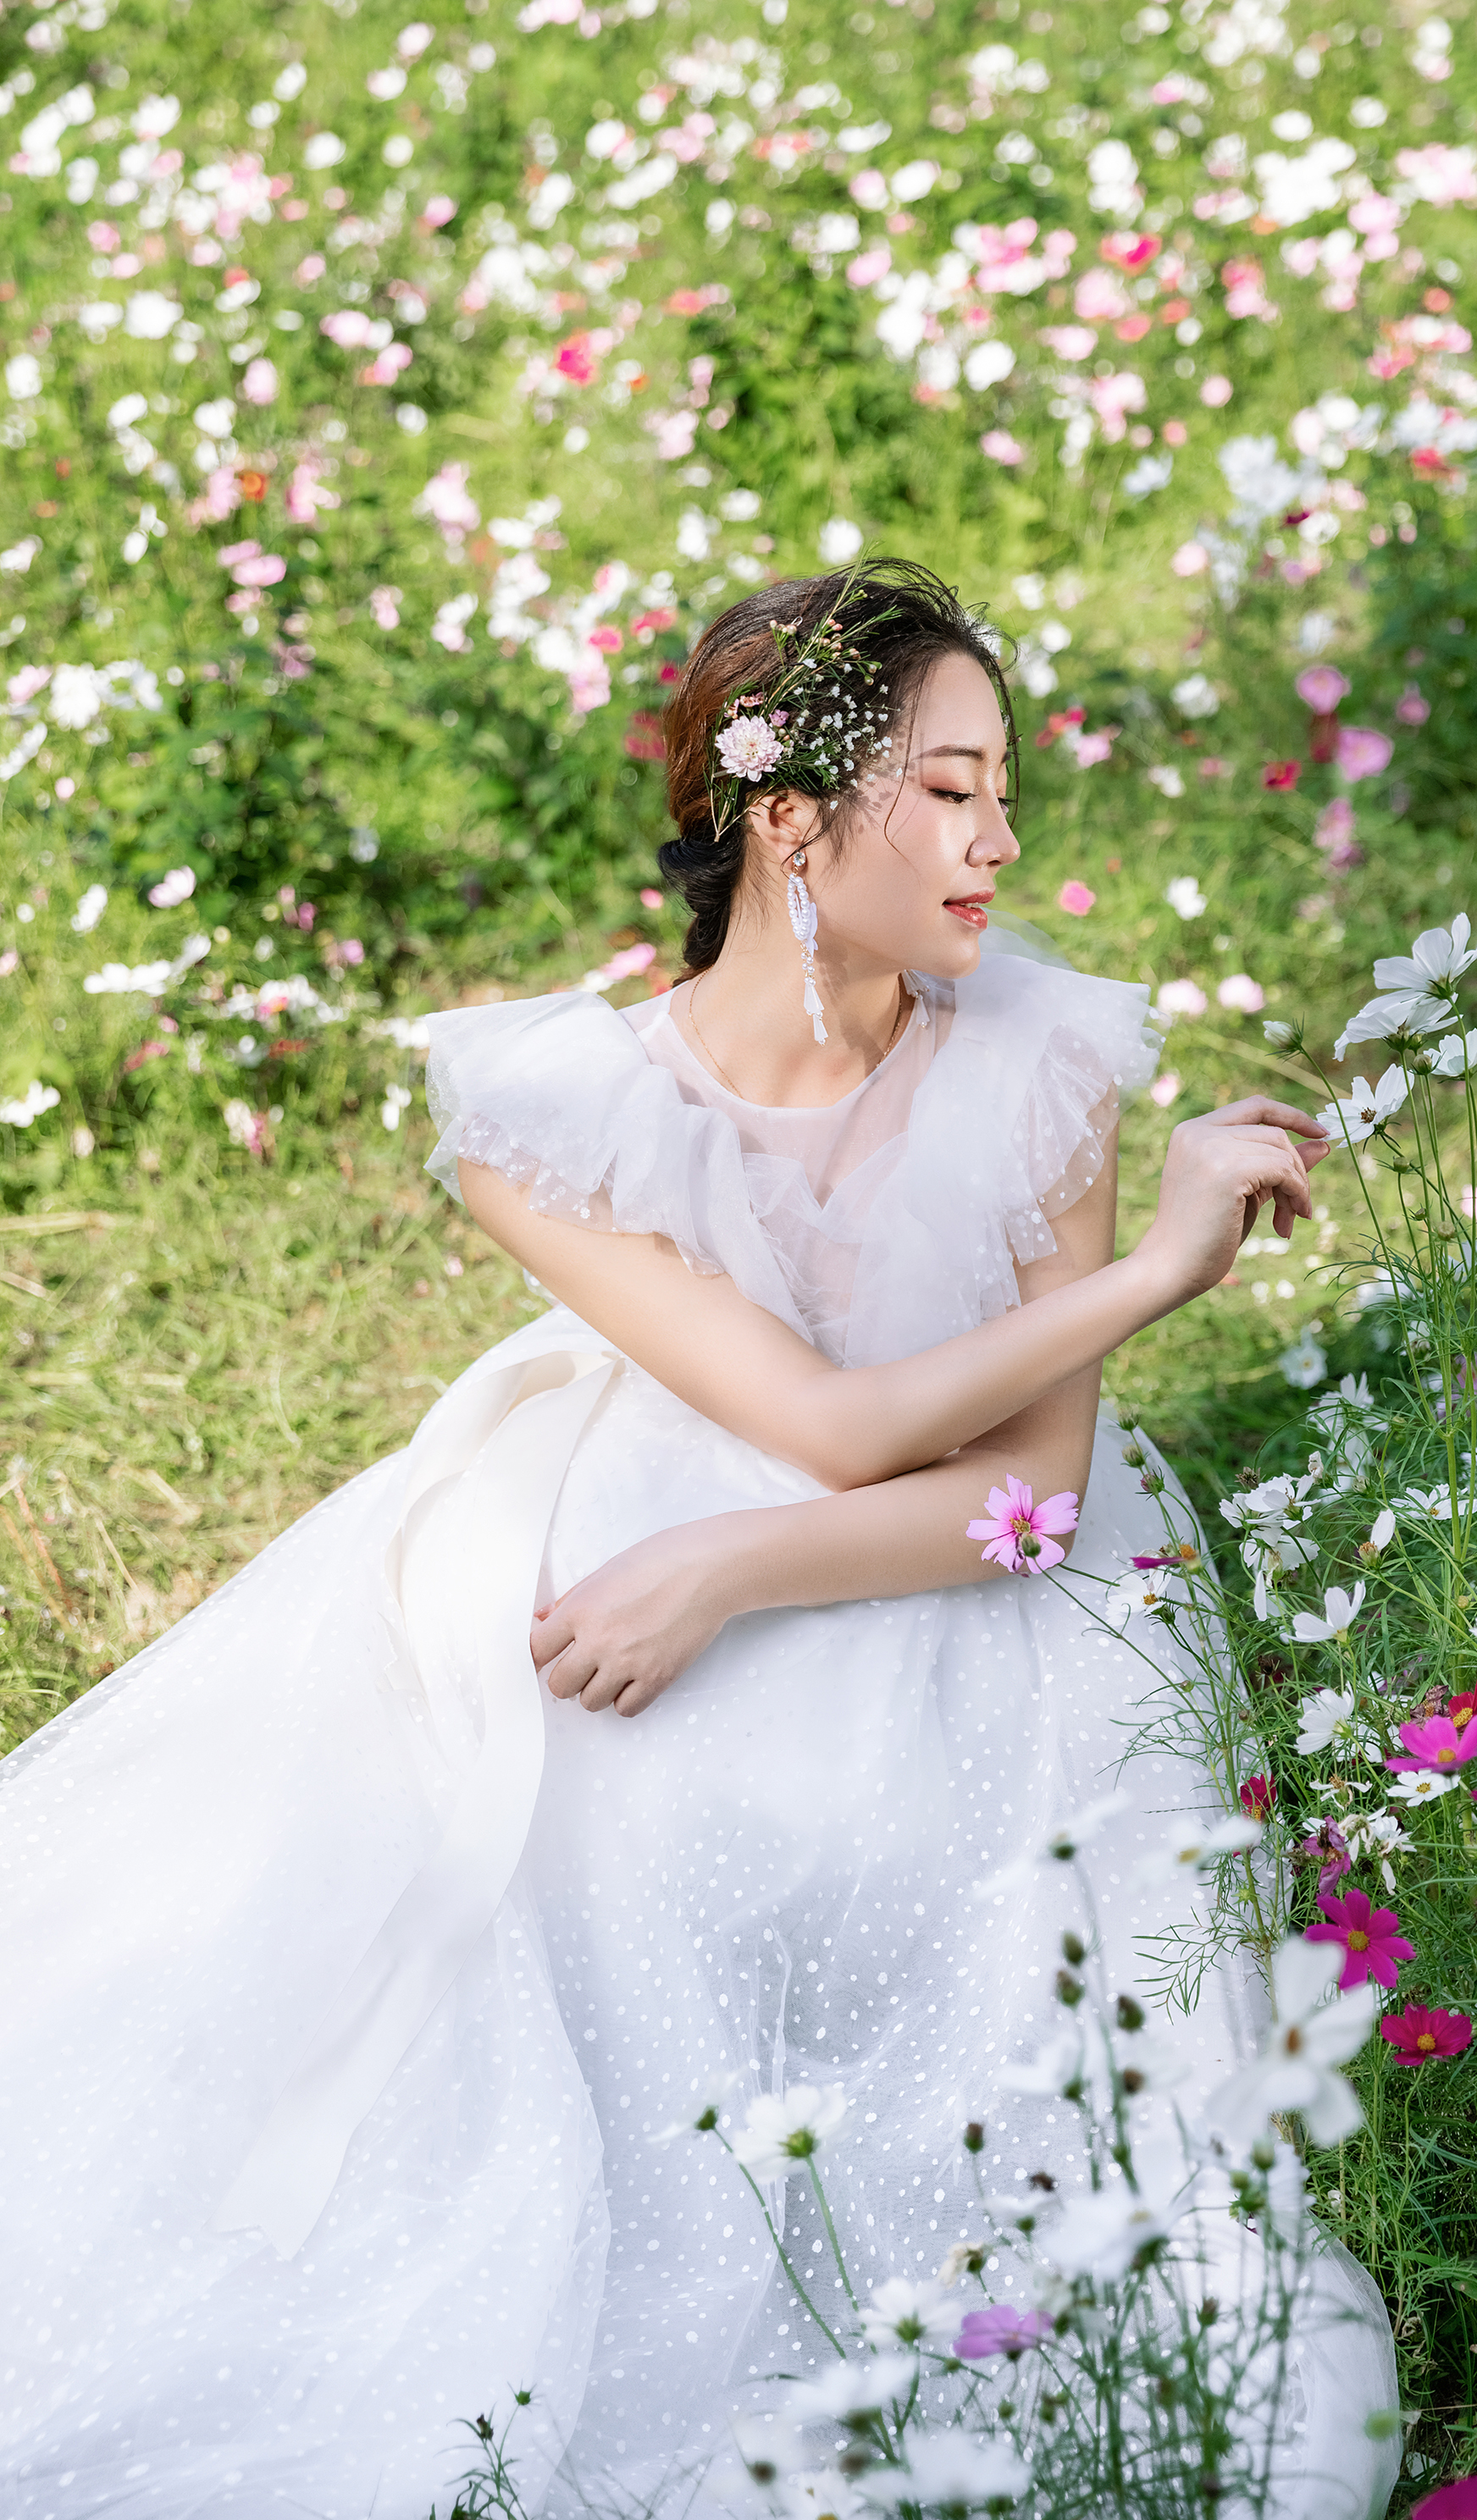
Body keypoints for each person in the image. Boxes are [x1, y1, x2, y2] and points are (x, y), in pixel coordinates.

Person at [0, 562, 1399, 2518]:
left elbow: (1026, 1500)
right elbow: (819, 1427)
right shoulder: (556, 1114)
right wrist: (714, 1544)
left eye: (1003, 792)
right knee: (588, 1806)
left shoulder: (1041, 1063)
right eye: (947, 792)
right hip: (659, 1500)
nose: (998, 843)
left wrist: (736, 1566)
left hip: (957, 1564)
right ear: (788, 823)